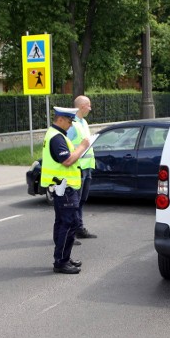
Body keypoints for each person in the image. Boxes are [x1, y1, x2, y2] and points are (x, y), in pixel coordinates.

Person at [41, 106, 91, 274]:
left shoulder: (57, 135)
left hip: (63, 187)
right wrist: (83, 146)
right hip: (65, 187)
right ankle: (61, 261)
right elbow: (67, 161)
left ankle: (63, 257)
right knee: (69, 224)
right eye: (69, 121)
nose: (71, 125)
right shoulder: (57, 137)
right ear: (60, 119)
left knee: (63, 223)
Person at [67, 95, 97, 240]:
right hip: (77, 167)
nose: (90, 109)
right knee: (75, 201)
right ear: (81, 106)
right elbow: (67, 145)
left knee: (82, 200)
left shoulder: (83, 122)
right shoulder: (71, 124)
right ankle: (72, 232)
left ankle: (78, 228)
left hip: (86, 167)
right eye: (88, 105)